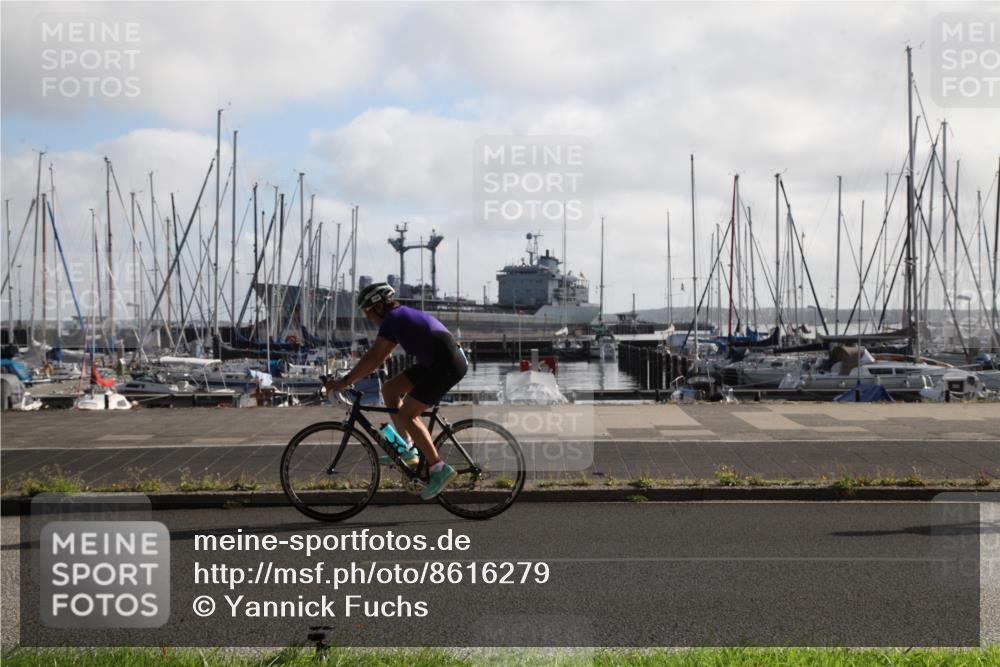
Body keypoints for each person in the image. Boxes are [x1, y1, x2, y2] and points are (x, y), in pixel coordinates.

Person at [325, 282, 468, 500]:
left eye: (368, 312)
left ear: (379, 306)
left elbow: (375, 357)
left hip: (447, 364)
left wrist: (345, 381)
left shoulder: (393, 319)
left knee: (407, 414)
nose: (368, 318)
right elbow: (382, 353)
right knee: (390, 389)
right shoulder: (398, 317)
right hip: (435, 361)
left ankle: (438, 468)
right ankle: (408, 447)